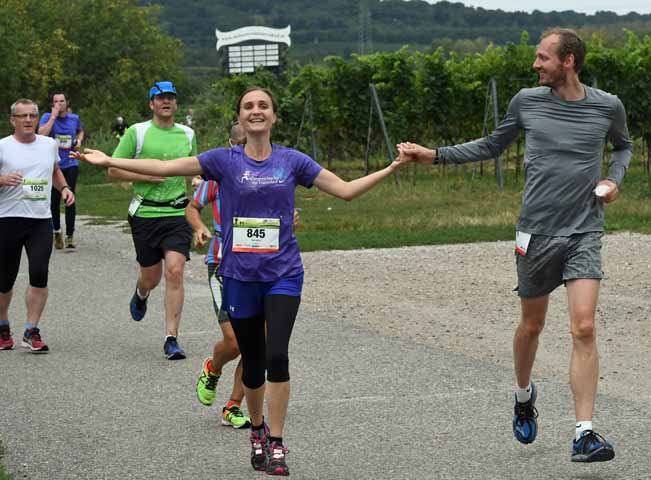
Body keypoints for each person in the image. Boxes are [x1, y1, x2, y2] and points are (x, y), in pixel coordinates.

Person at [72, 86, 404, 476]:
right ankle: (258, 431)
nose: (256, 111)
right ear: (241, 118)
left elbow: (346, 191)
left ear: (274, 116)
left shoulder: (293, 161)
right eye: (249, 106)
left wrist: (393, 167)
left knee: (277, 355)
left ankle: (277, 444)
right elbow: (165, 168)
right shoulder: (222, 161)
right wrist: (108, 158)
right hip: (239, 276)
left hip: (283, 275)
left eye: (263, 105)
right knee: (255, 362)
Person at [397, 28, 631, 463]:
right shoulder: (526, 101)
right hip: (536, 233)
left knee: (584, 326)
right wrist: (434, 155)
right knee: (532, 327)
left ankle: (585, 433)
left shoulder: (607, 106)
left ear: (569, 61)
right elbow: (492, 144)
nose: (535, 64)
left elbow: (623, 147)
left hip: (584, 229)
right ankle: (523, 394)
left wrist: (613, 180)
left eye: (543, 58)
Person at [108, 81, 196, 360]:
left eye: (170, 98)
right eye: (160, 98)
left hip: (177, 213)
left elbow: (192, 169)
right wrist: (145, 177)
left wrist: (198, 185)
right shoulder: (138, 132)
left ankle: (171, 338)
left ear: (176, 104)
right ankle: (141, 292)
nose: (166, 102)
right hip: (145, 213)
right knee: (151, 276)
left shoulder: (188, 133)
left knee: (175, 270)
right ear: (151, 104)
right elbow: (113, 169)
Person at [187, 122, 250, 429]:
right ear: (229, 144)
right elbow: (192, 207)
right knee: (235, 341)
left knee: (256, 344)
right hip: (222, 265)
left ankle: (233, 406)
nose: (244, 151)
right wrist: (199, 228)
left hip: (259, 268)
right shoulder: (218, 177)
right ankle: (213, 368)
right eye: (239, 145)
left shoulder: (269, 174)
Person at [0, 99, 75, 353]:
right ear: (13, 120)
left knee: (40, 272)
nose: (29, 120)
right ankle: (3, 326)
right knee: (5, 279)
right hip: (8, 218)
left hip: (40, 220)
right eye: (23, 116)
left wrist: (64, 188)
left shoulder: (48, 144)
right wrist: (2, 179)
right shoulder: (3, 147)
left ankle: (31, 330)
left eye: (32, 115)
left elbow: (53, 170)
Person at [38, 92, 84, 249]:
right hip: (53, 165)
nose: (59, 104)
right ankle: (56, 232)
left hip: (71, 163)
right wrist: (53, 116)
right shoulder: (46, 117)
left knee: (70, 199)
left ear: (67, 102)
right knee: (54, 201)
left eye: (62, 101)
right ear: (52, 104)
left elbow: (80, 131)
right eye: (56, 101)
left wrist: (79, 141)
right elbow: (41, 134)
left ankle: (70, 236)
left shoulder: (74, 118)